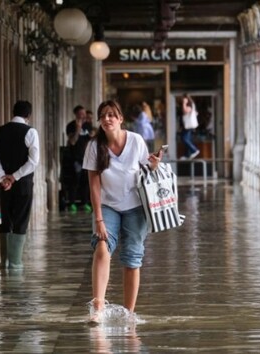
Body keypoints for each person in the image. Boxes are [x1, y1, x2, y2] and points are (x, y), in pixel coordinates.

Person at [84, 101, 164, 323]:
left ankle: (129, 314)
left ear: (120, 119)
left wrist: (155, 165)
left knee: (132, 258)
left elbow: (146, 171)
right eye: (103, 116)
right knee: (101, 245)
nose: (107, 119)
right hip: (108, 206)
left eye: (112, 115)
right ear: (100, 122)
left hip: (136, 206)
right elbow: (94, 186)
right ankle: (98, 305)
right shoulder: (94, 146)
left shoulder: (136, 141)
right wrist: (98, 217)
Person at [0, 101, 39, 269]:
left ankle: (4, 262)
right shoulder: (30, 132)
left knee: (6, 219)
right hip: (23, 183)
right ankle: (16, 263)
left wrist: (4, 178)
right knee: (21, 219)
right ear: (28, 116)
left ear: (13, 112)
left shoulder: (0, 131)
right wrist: (15, 176)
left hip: (5, 184)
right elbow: (33, 161)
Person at [66, 105, 94, 212]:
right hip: (75, 158)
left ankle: (85, 202)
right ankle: (72, 203)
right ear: (76, 114)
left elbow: (91, 141)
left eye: (84, 113)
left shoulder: (88, 125)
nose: (83, 115)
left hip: (87, 158)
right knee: (74, 181)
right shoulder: (71, 126)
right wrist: (77, 130)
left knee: (86, 181)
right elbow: (72, 142)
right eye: (81, 113)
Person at [179, 94, 200, 160]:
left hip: (189, 125)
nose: (182, 100)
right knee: (187, 139)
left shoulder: (189, 105)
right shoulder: (192, 105)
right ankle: (187, 155)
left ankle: (194, 150)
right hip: (189, 125)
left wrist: (184, 103)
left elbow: (185, 111)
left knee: (184, 139)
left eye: (183, 99)